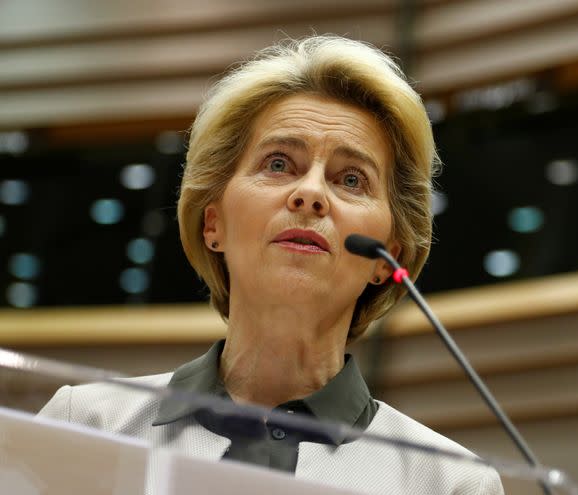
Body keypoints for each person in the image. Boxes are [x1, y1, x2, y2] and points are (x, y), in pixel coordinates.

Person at [39, 35, 503, 494]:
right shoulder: (85, 424)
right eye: (279, 163)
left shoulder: (448, 483)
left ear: (388, 258)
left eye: (352, 179)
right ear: (212, 223)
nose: (312, 194)